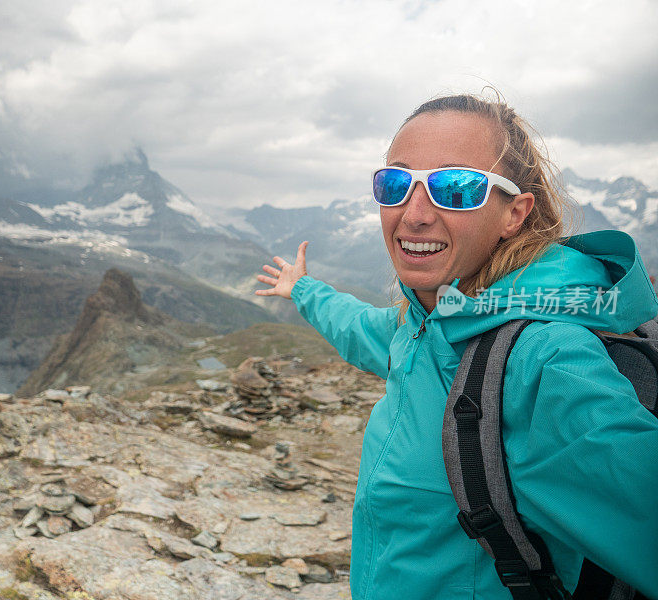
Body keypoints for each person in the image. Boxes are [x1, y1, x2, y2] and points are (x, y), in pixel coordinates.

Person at [255, 93, 658, 599]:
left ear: (515, 213)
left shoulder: (542, 359)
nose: (414, 213)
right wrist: (304, 291)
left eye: (457, 188)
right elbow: (359, 327)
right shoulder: (426, 325)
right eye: (395, 183)